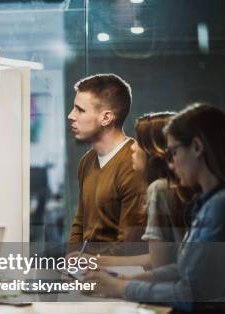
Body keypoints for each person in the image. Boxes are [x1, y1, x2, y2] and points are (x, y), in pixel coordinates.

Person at [86, 103, 225, 314]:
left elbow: (189, 291)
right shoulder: (208, 202)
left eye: (175, 151)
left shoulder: (218, 207)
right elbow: (181, 269)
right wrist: (119, 281)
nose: (171, 162)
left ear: (198, 147)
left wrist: (122, 287)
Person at [84, 112, 195, 270]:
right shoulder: (179, 188)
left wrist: (110, 277)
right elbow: (159, 258)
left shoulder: (159, 190)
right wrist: (94, 261)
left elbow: (159, 264)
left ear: (154, 151)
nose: (132, 147)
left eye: (139, 141)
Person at [67, 74, 146, 256]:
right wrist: (71, 261)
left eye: (80, 110)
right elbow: (80, 222)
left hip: (116, 275)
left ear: (106, 118)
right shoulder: (87, 161)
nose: (71, 116)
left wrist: (87, 263)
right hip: (87, 272)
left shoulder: (134, 163)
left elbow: (129, 245)